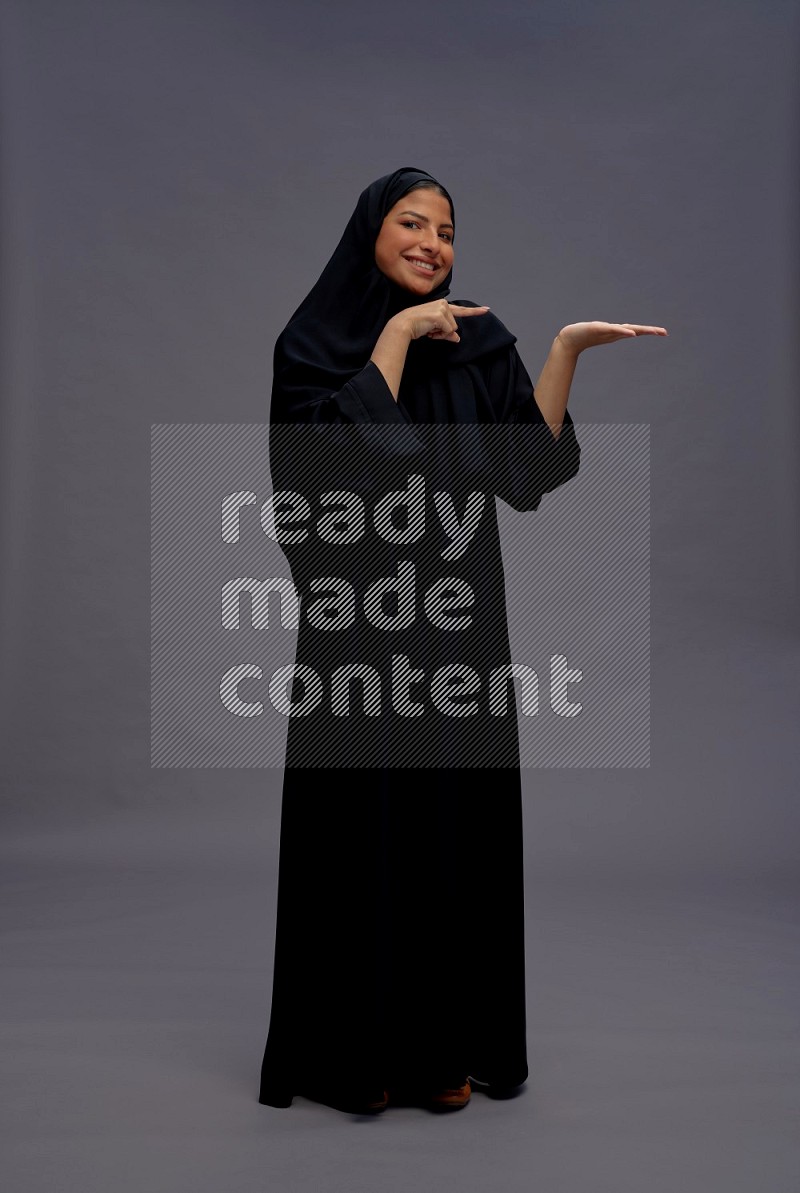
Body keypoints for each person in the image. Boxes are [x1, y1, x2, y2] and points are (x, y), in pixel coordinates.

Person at [257, 166, 667, 1115]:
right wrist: (397, 337)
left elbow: (527, 471)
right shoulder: (311, 347)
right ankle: (357, 1055)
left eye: (446, 230)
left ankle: (444, 1049)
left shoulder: (478, 339)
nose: (432, 243)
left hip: (459, 633)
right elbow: (320, 479)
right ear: (370, 232)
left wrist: (563, 350)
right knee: (363, 836)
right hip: (356, 635)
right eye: (412, 222)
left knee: (452, 835)